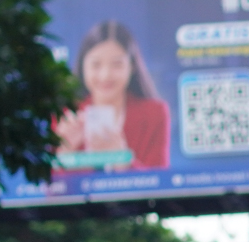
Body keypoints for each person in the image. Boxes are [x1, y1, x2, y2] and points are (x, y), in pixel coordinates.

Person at [54, 19, 170, 170]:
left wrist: (124, 161)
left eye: (117, 64)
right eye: (96, 64)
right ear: (83, 66)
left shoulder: (154, 113)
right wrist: (65, 152)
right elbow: (47, 181)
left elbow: (160, 179)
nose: (105, 75)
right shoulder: (65, 115)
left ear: (132, 66)